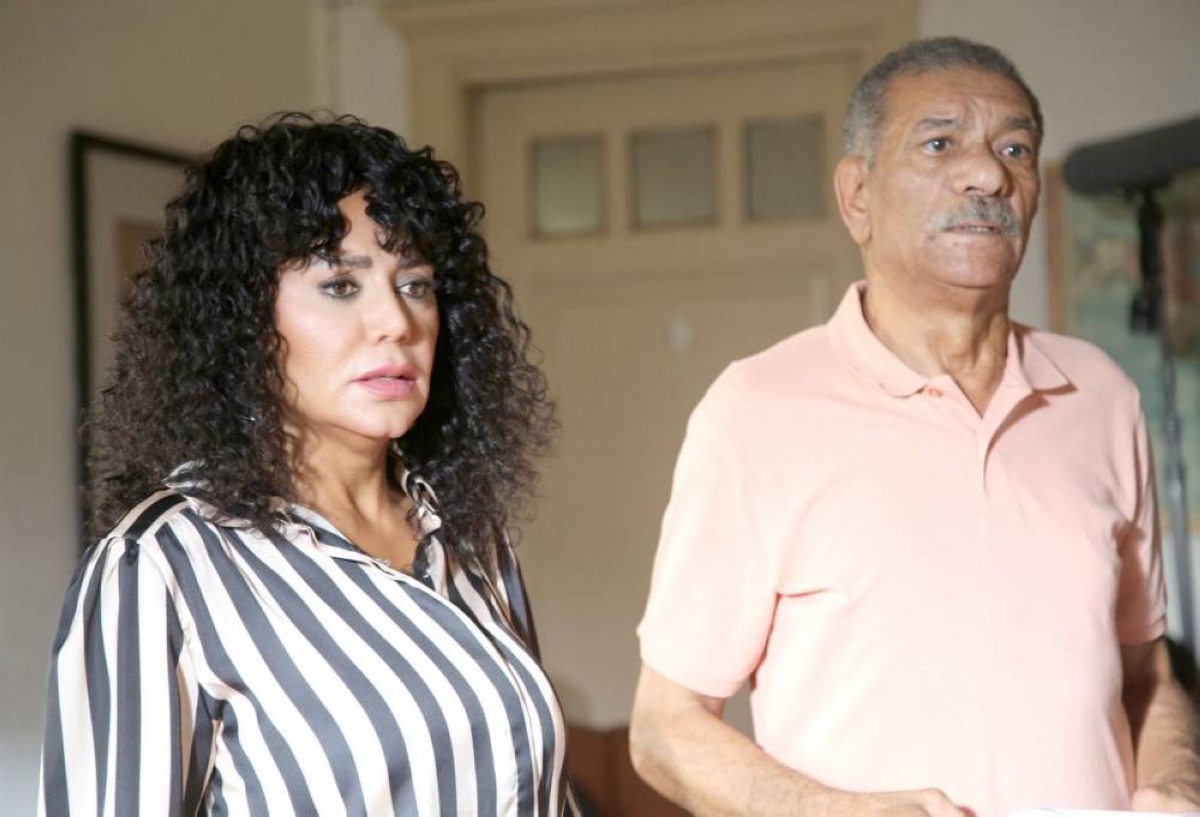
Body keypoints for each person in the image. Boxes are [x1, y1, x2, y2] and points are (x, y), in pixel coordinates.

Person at [630, 37, 1200, 817]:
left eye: (1015, 149)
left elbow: (1147, 674)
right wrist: (833, 813)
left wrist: (1175, 784)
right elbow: (664, 727)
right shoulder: (754, 409)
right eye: (940, 144)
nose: (988, 175)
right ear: (857, 196)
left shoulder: (1102, 396)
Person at [39, 113, 579, 816]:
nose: (396, 322)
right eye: (341, 286)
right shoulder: (160, 566)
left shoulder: (469, 534)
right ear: (244, 320)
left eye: (416, 284)